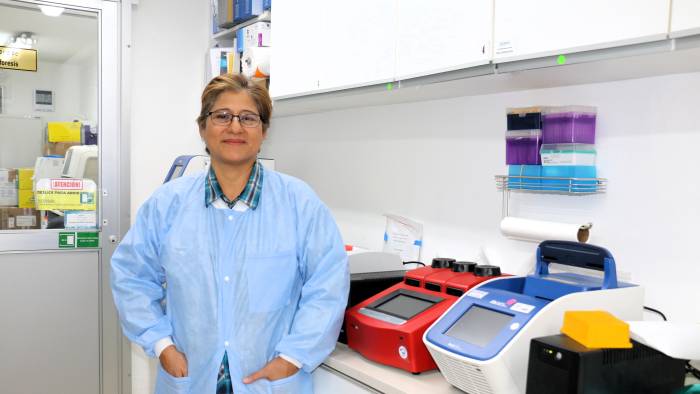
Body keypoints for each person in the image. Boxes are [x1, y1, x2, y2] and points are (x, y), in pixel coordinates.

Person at [111, 74, 349, 394]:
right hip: (191, 376)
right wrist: (162, 345)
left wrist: (293, 358)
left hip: (270, 379)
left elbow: (327, 285)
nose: (235, 127)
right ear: (202, 128)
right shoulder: (167, 204)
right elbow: (131, 276)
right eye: (222, 116)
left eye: (248, 118)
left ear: (264, 131)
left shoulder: (299, 203)